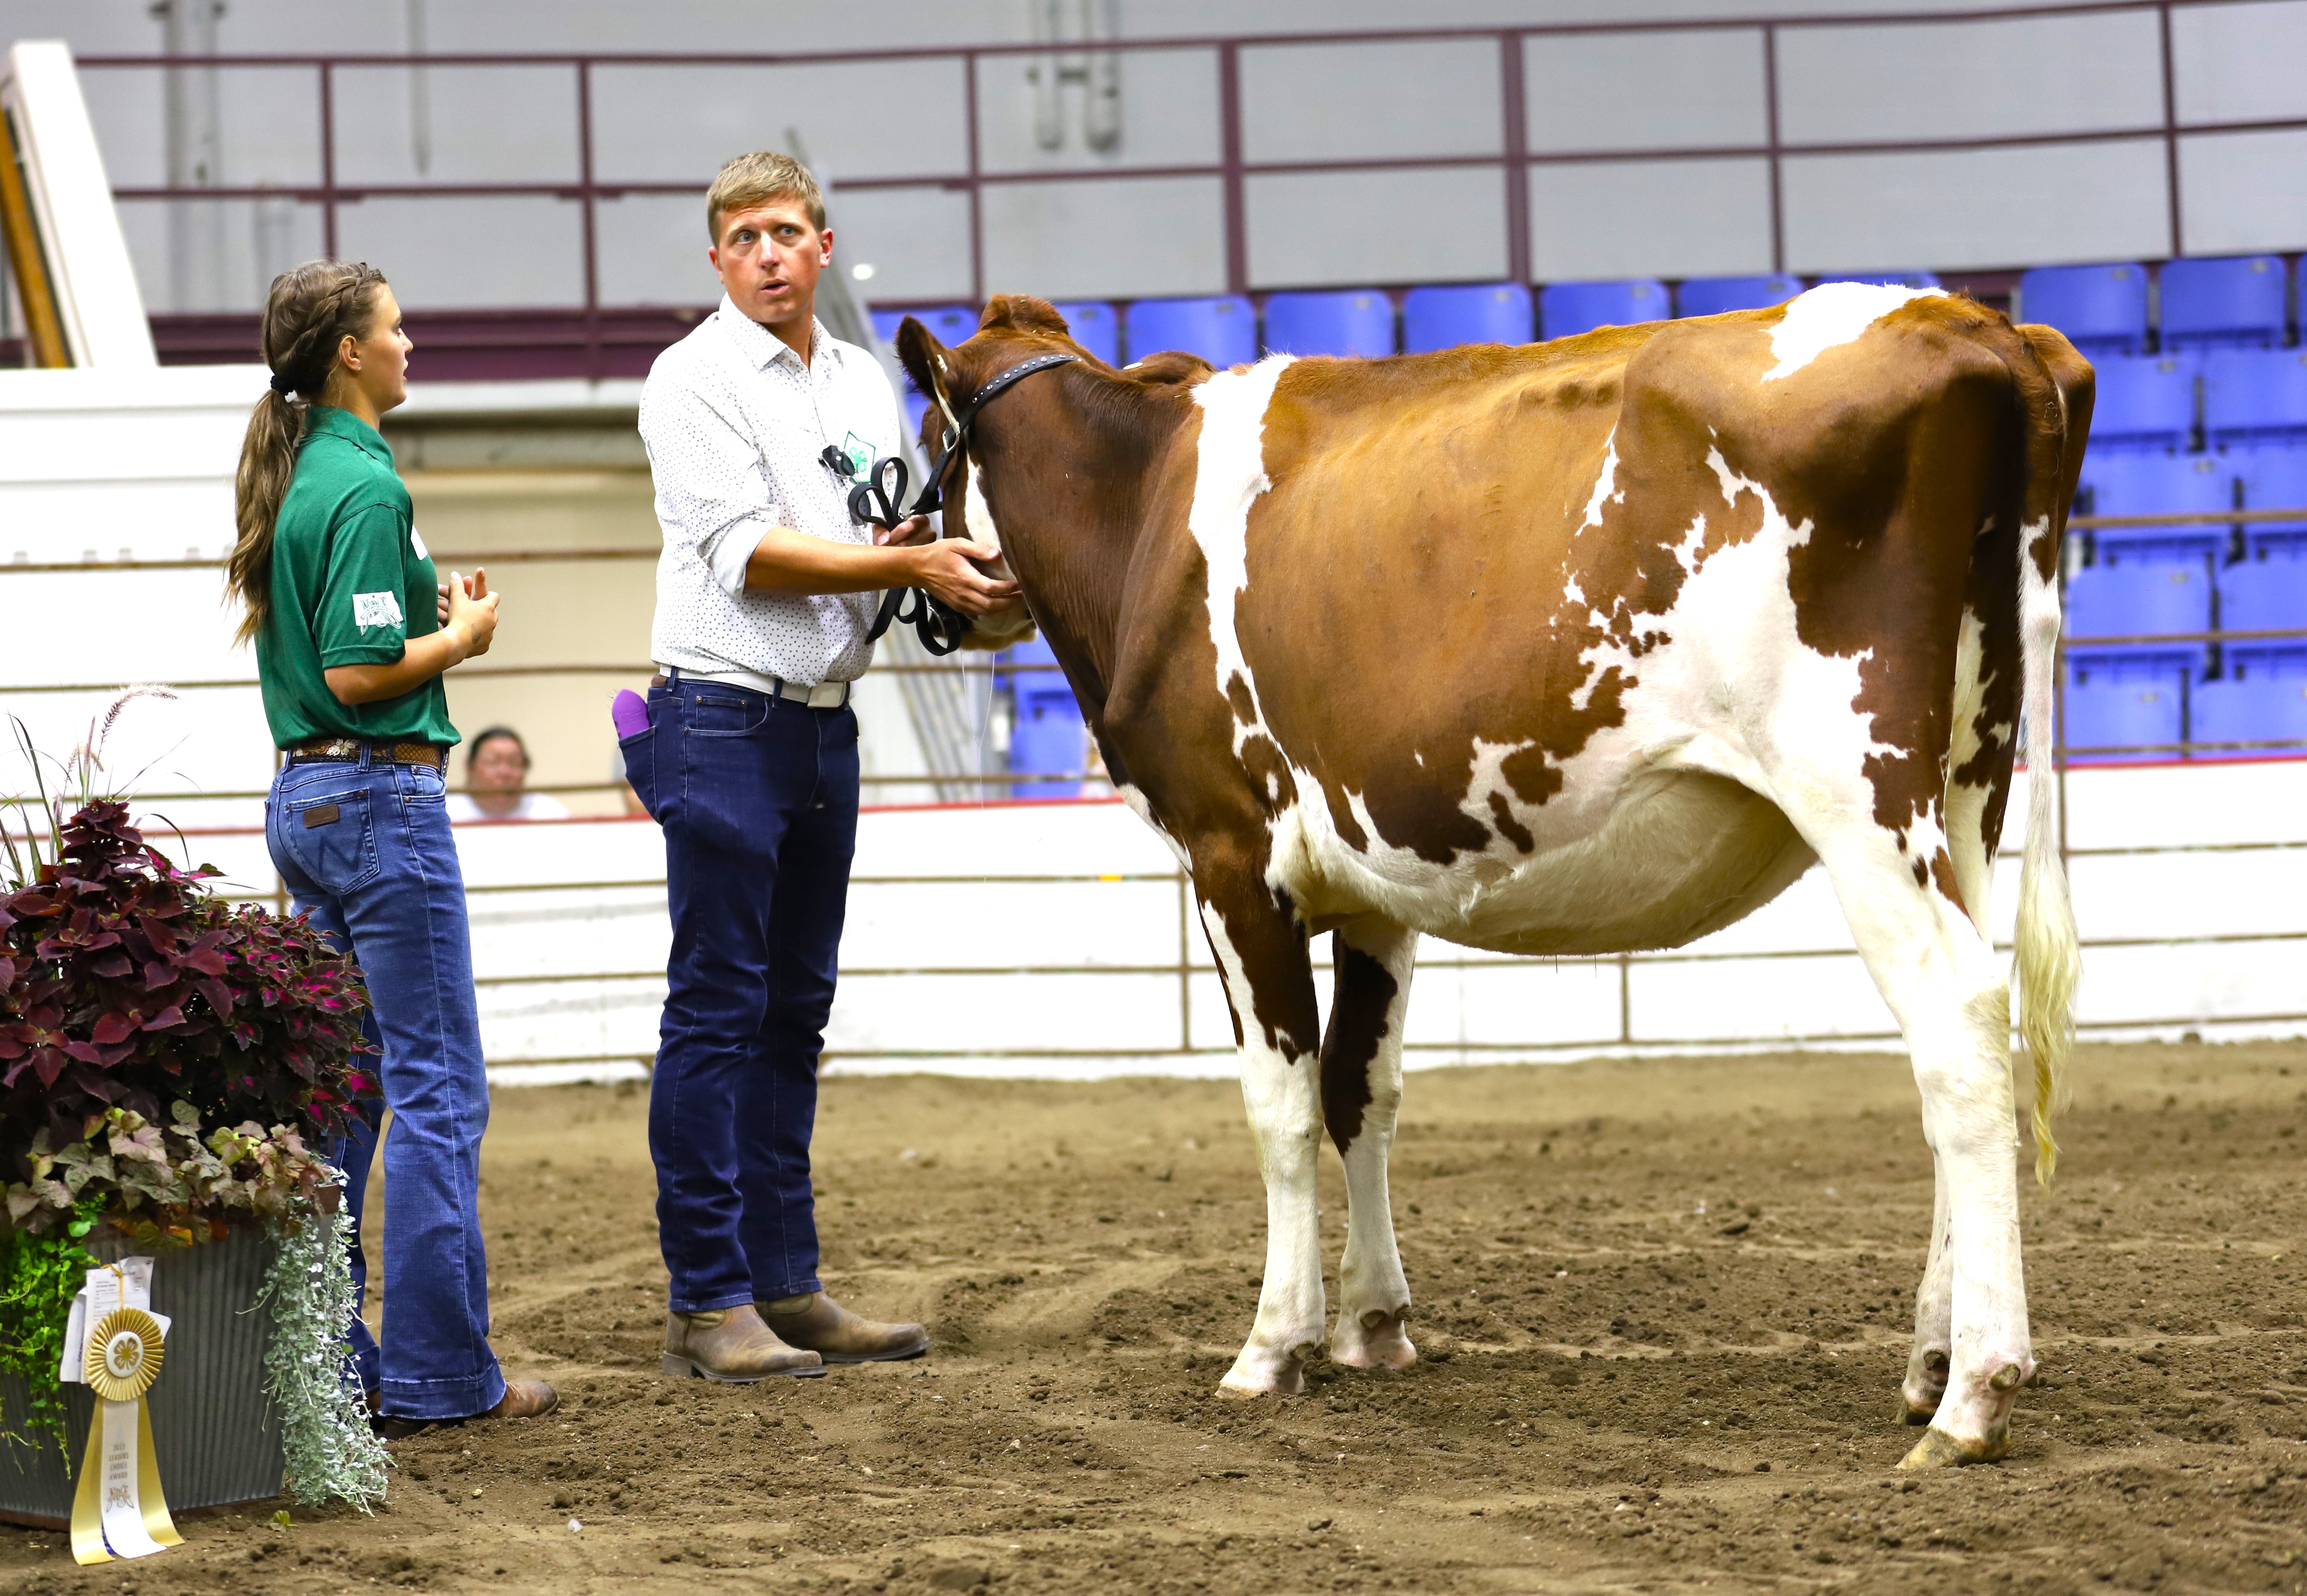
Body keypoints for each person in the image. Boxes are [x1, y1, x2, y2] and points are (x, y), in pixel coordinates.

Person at [620, 152, 1017, 1382]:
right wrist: (909, 569)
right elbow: (747, 555)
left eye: (787, 231)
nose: (769, 253)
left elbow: (849, 533)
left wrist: (905, 549)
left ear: (824, 245)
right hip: (723, 718)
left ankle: (786, 1284)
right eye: (744, 236)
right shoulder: (689, 380)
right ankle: (709, 1296)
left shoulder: (857, 382)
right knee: (720, 1008)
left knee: (792, 1013)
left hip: (820, 721)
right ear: (718, 259)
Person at [225, 258, 555, 1436]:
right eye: (398, 331)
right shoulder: (366, 486)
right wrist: (460, 636)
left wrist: (427, 613)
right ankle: (437, 1372)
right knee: (437, 1090)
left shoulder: (305, 476)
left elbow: (334, 650)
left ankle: (333, 1361)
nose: (412, 346)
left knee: (346, 1088)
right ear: (351, 354)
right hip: (378, 803)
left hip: (308, 802)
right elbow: (363, 677)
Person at [446, 726, 569, 821]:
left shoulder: (549, 814)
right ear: (469, 767)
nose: (505, 772)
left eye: (515, 763)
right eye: (493, 762)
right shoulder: (445, 813)